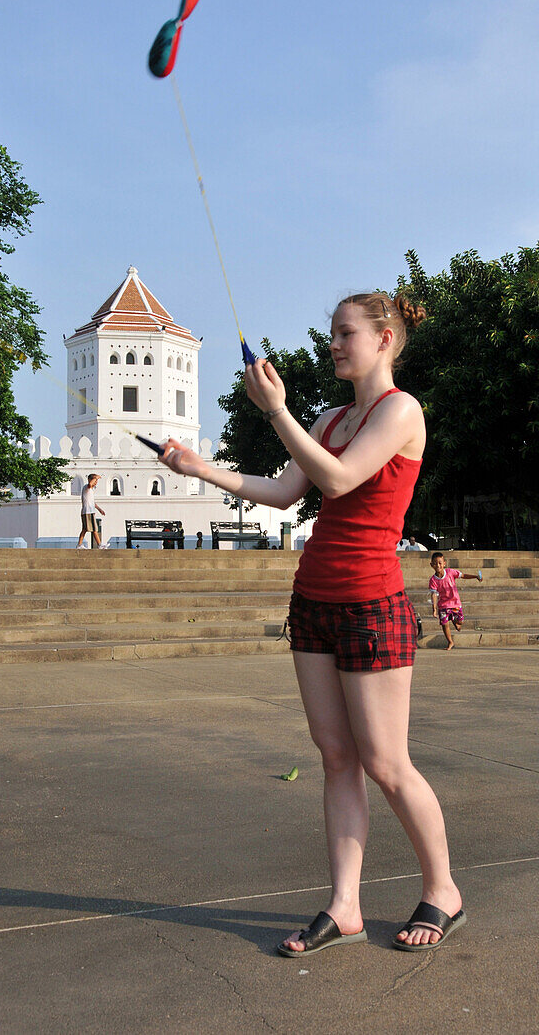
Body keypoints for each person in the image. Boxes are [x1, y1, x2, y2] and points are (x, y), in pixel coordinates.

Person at [159, 289, 466, 955]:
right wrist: (198, 467)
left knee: (386, 763)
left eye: (344, 333)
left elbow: (339, 480)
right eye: (332, 333)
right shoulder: (328, 418)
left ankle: (443, 889)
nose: (333, 344)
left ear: (384, 340)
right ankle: (345, 905)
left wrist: (275, 410)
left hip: (372, 603)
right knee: (335, 760)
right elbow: (284, 490)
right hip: (314, 601)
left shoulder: (400, 412)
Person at [428, 552, 482, 650]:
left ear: (444, 563)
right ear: (431, 565)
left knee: (460, 623)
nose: (438, 566)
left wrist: (475, 576)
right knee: (444, 624)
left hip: (455, 602)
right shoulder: (433, 580)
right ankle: (450, 642)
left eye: (440, 563)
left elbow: (463, 575)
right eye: (435, 563)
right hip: (443, 605)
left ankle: (454, 619)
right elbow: (434, 595)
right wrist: (434, 609)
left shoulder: (450, 572)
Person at [76, 473, 108, 549]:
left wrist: (99, 509)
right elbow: (90, 484)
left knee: (85, 529)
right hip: (88, 512)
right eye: (95, 481)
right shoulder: (87, 488)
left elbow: (92, 503)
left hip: (88, 511)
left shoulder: (90, 490)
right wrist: (96, 477)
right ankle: (99, 545)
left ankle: (79, 545)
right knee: (94, 529)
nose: (96, 482)